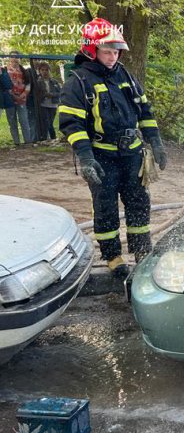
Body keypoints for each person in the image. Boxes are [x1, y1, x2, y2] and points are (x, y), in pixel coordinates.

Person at [58, 17, 168, 278]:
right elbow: (71, 124)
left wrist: (156, 142)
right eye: (107, 51)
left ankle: (142, 250)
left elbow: (144, 111)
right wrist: (85, 158)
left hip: (132, 153)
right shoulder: (79, 81)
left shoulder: (125, 75)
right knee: (105, 207)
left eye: (116, 51)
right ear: (91, 50)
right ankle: (113, 256)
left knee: (139, 203)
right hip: (101, 156)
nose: (112, 57)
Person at [5, 51, 33, 144]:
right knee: (12, 122)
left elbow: (28, 84)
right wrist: (13, 95)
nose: (15, 59)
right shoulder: (5, 70)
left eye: (17, 57)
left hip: (22, 100)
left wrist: (23, 95)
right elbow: (4, 85)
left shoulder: (24, 71)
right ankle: (16, 142)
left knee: (24, 120)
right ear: (9, 58)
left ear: (19, 59)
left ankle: (28, 141)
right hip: (9, 100)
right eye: (13, 57)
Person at [35, 62, 61, 140]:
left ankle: (51, 138)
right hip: (43, 104)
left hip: (53, 105)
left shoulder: (54, 82)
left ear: (49, 71)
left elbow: (59, 93)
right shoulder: (38, 82)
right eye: (42, 70)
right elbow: (37, 94)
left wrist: (51, 94)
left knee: (50, 123)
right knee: (46, 122)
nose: (44, 72)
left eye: (46, 70)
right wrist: (45, 95)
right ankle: (46, 138)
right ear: (39, 71)